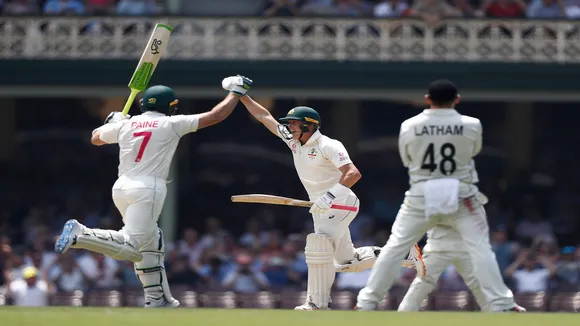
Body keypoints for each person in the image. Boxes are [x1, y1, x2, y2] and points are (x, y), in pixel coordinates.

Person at [221, 76, 425, 311]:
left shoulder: (329, 145)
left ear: (309, 125)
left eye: (294, 124)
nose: (289, 127)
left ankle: (316, 303)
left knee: (318, 245)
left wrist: (329, 196)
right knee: (348, 262)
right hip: (321, 205)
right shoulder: (294, 141)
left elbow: (353, 173)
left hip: (340, 202)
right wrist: (241, 95)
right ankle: (404, 254)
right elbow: (264, 116)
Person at [54, 76, 253, 308]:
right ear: (170, 106)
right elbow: (216, 116)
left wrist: (112, 122)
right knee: (131, 247)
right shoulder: (171, 123)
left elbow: (96, 138)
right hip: (148, 189)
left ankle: (157, 298)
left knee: (151, 241)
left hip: (121, 188)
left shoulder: (127, 124)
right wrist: (235, 93)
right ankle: (81, 234)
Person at [356, 79, 524, 312]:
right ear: (456, 99)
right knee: (481, 249)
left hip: (421, 193)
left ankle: (367, 302)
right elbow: (472, 152)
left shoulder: (410, 125)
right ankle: (502, 303)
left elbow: (407, 160)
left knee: (395, 247)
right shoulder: (472, 124)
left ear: (427, 100)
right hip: (461, 193)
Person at [398, 225, 489, 311]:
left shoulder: (448, 263)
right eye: (419, 248)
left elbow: (441, 283)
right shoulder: (412, 264)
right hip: (434, 299)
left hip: (456, 295)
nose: (420, 250)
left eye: (421, 247)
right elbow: (400, 281)